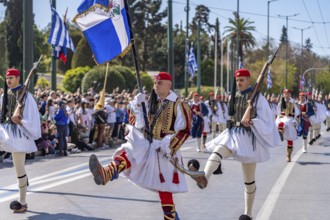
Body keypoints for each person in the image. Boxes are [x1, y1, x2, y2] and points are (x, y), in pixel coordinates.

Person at [89, 72, 191, 219]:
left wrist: (168, 144)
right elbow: (138, 124)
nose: (156, 86)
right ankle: (108, 173)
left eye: (160, 83)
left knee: (165, 190)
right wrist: (137, 106)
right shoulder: (151, 102)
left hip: (166, 149)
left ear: (169, 85)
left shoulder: (179, 105)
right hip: (149, 143)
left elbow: (185, 130)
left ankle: (171, 218)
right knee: (132, 148)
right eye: (155, 83)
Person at [188, 68, 282, 220]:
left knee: (249, 180)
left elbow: (266, 119)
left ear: (249, 81)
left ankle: (248, 213)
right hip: (232, 133)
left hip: (248, 138)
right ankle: (204, 178)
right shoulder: (234, 95)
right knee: (217, 151)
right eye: (237, 80)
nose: (239, 83)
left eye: (242, 80)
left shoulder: (257, 98)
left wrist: (252, 121)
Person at [0, 68, 41, 213]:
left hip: (18, 134)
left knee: (19, 170)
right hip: (5, 130)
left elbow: (32, 117)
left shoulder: (27, 97)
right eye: (7, 78)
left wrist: (21, 121)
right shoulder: (5, 95)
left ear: (18, 78)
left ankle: (23, 202)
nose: (8, 81)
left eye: (11, 78)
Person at [275, 89, 300, 162]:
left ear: (290, 94)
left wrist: (296, 120)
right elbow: (278, 111)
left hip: (290, 119)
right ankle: (280, 133)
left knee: (290, 138)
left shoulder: (293, 103)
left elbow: (297, 113)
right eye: (285, 94)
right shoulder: (281, 102)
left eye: (288, 94)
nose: (286, 95)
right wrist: (277, 117)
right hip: (283, 118)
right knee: (281, 122)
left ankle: (288, 155)